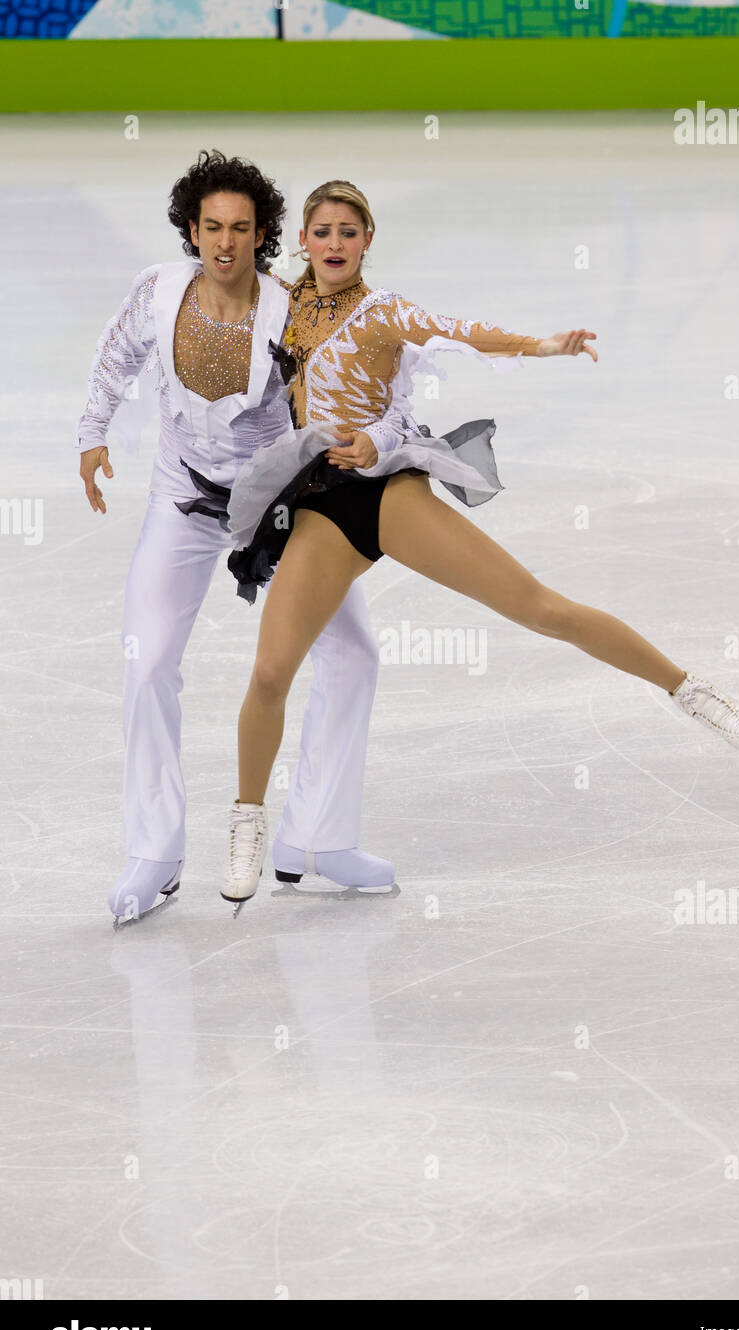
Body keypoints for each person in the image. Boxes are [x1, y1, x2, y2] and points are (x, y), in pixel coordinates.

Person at [217, 179, 739, 909]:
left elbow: (459, 331)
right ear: (303, 241)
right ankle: (248, 822)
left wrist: (542, 347)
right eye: (322, 231)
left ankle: (690, 691)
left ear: (368, 240)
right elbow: (215, 296)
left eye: (349, 231)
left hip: (388, 496)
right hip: (322, 507)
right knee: (268, 674)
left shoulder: (382, 311)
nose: (334, 244)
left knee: (542, 609)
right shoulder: (283, 307)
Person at [77, 153, 419, 927]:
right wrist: (92, 435)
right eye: (210, 228)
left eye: (240, 228)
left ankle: (320, 841)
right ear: (190, 231)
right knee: (148, 659)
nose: (223, 243)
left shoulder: (294, 309)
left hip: (279, 506)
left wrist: (376, 440)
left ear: (263, 234)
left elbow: (371, 377)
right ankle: (154, 854)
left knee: (354, 651)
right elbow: (113, 359)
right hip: (183, 501)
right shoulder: (160, 291)